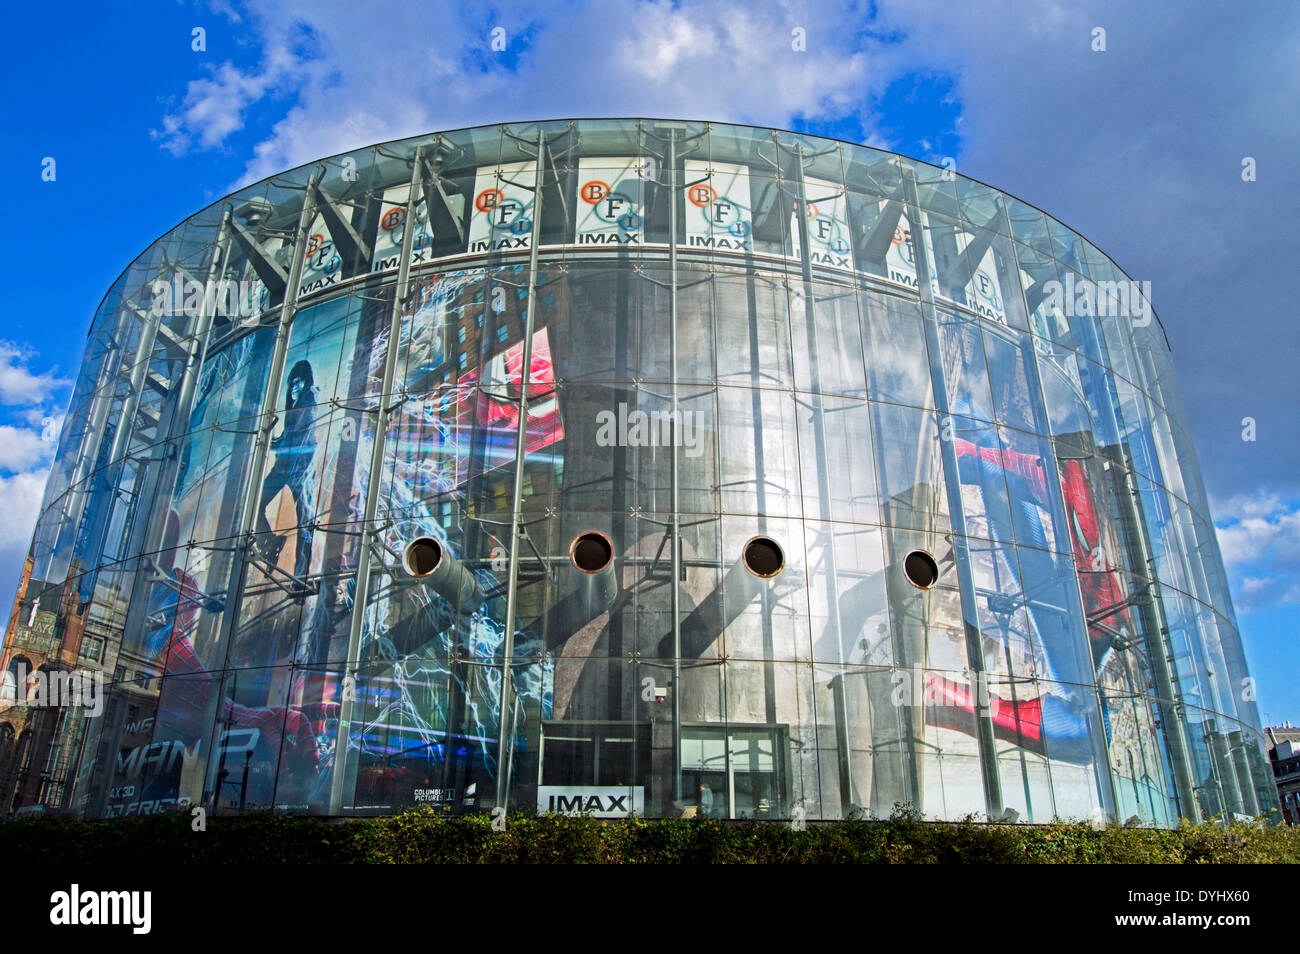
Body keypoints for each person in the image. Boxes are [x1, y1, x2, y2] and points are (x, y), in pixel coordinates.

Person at [255, 359, 318, 578]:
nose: (293, 388)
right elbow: (291, 435)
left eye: (298, 383)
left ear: (306, 383)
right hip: (283, 469)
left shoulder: (309, 400)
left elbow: (303, 437)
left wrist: (280, 443)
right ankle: (271, 542)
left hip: (300, 473)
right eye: (292, 383)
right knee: (254, 506)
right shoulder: (296, 407)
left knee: (304, 526)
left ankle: (300, 579)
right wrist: (277, 441)